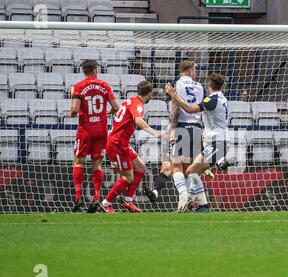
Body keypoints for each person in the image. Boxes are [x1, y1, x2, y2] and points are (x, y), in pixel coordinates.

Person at [164, 73, 231, 212]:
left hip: (217, 143)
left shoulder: (212, 99)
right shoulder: (222, 98)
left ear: (209, 85)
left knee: (191, 171)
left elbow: (189, 109)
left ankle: (201, 205)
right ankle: (196, 203)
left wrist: (174, 95)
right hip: (216, 142)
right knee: (191, 172)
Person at [100, 80, 165, 214]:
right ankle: (106, 203)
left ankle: (128, 201)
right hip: (117, 145)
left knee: (141, 168)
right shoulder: (138, 104)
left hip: (121, 143)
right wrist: (156, 134)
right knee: (128, 177)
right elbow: (138, 120)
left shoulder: (129, 101)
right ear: (150, 94)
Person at [68, 59, 120, 213]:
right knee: (97, 164)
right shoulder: (105, 85)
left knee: (79, 162)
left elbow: (75, 110)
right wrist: (107, 113)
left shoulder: (77, 87)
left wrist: (71, 113)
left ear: (84, 71)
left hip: (85, 129)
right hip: (101, 129)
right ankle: (97, 197)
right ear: (95, 70)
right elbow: (116, 107)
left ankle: (78, 198)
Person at [166, 60, 208, 212]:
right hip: (197, 129)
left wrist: (172, 127)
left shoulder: (177, 85)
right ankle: (187, 204)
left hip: (182, 127)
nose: (195, 72)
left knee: (175, 166)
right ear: (191, 70)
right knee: (189, 169)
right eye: (195, 69)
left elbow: (176, 108)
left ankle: (184, 196)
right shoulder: (200, 87)